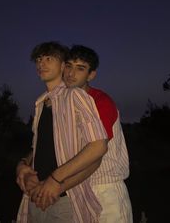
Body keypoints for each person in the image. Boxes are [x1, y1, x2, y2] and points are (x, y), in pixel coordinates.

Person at [16, 41, 109, 223]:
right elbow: (43, 148)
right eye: (39, 59)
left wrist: (55, 180)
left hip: (65, 199)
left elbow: (99, 146)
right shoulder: (41, 103)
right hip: (35, 196)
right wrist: (23, 166)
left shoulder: (75, 96)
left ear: (63, 65)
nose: (41, 64)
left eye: (49, 58)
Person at [63, 45, 133, 223]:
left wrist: (55, 183)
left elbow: (95, 149)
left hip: (105, 189)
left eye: (80, 68)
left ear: (91, 75)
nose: (71, 73)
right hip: (77, 189)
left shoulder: (100, 101)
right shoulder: (64, 102)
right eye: (69, 65)